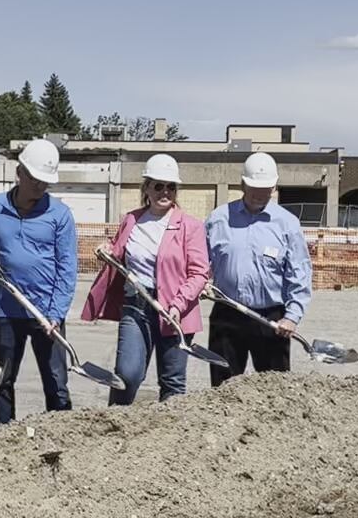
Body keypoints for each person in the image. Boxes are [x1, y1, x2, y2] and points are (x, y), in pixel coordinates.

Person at [81, 154, 209, 405]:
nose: (165, 192)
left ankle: (169, 438)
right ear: (146, 188)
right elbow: (118, 251)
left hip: (175, 313)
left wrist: (177, 305)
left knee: (172, 381)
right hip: (136, 307)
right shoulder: (132, 219)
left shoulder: (190, 227)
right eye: (158, 185)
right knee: (127, 375)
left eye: (171, 186)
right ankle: (115, 425)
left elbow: (199, 273)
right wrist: (106, 249)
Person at [0, 138, 79, 425]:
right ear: (20, 172)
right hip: (6, 311)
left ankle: (60, 434)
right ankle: (4, 438)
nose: (40, 187)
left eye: (45, 182)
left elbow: (67, 268)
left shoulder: (59, 214)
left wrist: (56, 313)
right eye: (35, 180)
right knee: (4, 380)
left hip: (46, 314)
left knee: (56, 383)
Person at [205, 152, 312, 383]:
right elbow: (200, 262)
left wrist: (292, 317)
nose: (259, 194)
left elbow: (299, 274)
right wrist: (200, 282)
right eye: (253, 187)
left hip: (271, 319)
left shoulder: (287, 224)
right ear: (242, 183)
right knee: (223, 388)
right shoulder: (219, 219)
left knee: (274, 390)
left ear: (274, 186)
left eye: (266, 188)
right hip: (227, 313)